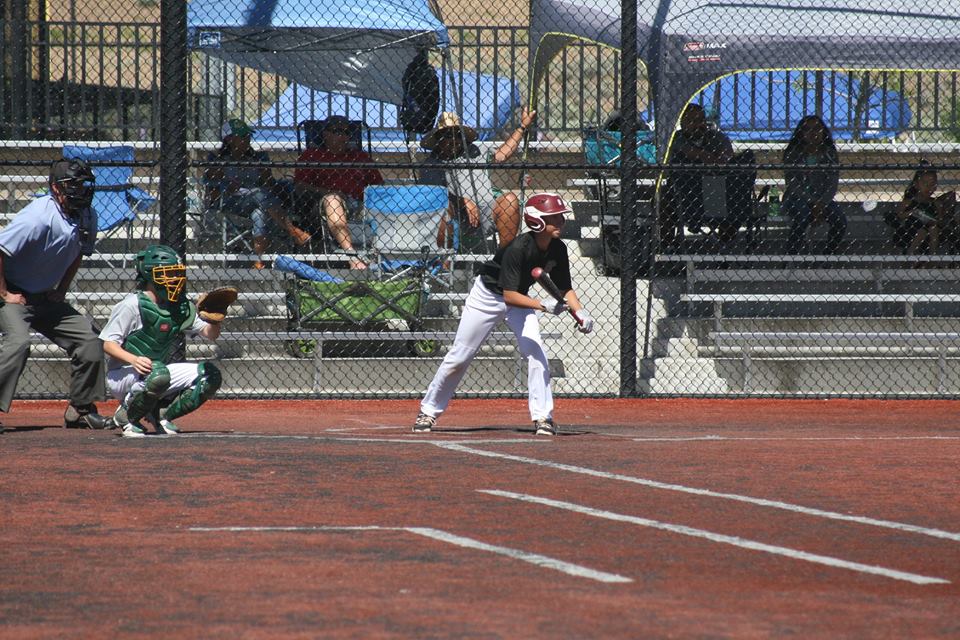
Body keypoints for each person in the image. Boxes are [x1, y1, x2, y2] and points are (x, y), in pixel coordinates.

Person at [413, 192, 594, 436]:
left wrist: (580, 312)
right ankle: (428, 411)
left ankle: (543, 417)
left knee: (536, 354)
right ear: (537, 221)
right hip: (488, 296)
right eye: (554, 218)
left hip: (521, 300)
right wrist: (542, 305)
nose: (561, 221)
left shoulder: (558, 248)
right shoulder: (518, 248)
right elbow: (508, 296)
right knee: (459, 356)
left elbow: (565, 287)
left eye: (560, 217)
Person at [0, 159, 108, 432]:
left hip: (44, 296)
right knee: (19, 343)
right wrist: (5, 293)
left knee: (89, 340)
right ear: (55, 189)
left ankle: (80, 409)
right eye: (72, 185)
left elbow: (77, 253)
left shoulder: (87, 215)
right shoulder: (38, 216)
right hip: (12, 291)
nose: (80, 191)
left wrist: (61, 290)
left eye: (84, 185)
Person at [99, 245, 223, 437]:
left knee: (210, 375)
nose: (175, 279)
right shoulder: (132, 305)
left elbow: (210, 334)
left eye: (177, 273)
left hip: (156, 373)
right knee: (158, 373)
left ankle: (161, 415)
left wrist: (214, 319)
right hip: (122, 374)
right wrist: (133, 360)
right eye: (168, 273)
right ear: (150, 275)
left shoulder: (179, 306)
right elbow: (107, 344)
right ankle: (127, 416)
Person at [419, 108, 536, 251]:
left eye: (457, 135)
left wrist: (522, 126)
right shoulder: (430, 163)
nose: (453, 140)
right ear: (439, 138)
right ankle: (444, 267)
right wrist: (462, 201)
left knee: (510, 201)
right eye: (447, 135)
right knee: (445, 209)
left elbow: (502, 154)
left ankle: (504, 259)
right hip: (453, 217)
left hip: (486, 213)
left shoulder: (474, 150)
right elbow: (433, 195)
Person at [205, 118, 310, 269]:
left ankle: (258, 261)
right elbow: (213, 187)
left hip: (260, 202)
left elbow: (269, 184)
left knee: (259, 212)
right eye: (242, 136)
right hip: (230, 202)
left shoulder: (258, 157)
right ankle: (293, 231)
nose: (247, 139)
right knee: (260, 196)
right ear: (229, 139)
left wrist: (261, 170)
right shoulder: (217, 158)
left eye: (248, 135)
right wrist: (226, 183)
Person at [293, 115, 384, 269]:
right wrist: (327, 191)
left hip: (361, 205)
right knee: (332, 200)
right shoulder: (312, 156)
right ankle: (351, 256)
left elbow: (379, 187)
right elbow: (299, 187)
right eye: (337, 131)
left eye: (347, 132)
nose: (343, 136)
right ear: (325, 134)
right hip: (324, 205)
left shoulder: (360, 157)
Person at [661, 103, 734, 248]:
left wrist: (720, 158)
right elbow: (691, 153)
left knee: (732, 184)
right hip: (683, 193)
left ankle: (724, 245)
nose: (698, 124)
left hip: (714, 191)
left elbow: (727, 154)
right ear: (683, 123)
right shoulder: (677, 138)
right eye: (692, 121)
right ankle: (667, 246)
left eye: (701, 120)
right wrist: (704, 155)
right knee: (664, 196)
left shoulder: (716, 137)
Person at [783, 115, 847, 255]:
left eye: (817, 128)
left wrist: (821, 203)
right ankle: (791, 256)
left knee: (840, 221)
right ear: (800, 132)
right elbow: (792, 183)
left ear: (823, 131)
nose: (813, 133)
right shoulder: (792, 153)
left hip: (823, 199)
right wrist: (813, 202)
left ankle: (828, 256)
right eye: (807, 129)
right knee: (803, 215)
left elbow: (832, 183)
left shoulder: (829, 153)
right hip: (796, 198)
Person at [890, 162, 957, 255]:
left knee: (933, 229)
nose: (929, 187)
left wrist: (934, 220)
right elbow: (898, 216)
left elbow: (940, 221)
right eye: (925, 183)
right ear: (916, 184)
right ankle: (911, 253)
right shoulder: (909, 201)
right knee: (922, 231)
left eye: (932, 184)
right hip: (911, 229)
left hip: (931, 231)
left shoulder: (936, 203)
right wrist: (912, 212)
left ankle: (932, 256)